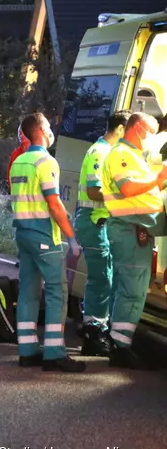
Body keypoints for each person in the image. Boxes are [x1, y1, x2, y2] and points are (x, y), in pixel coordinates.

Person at [10, 112, 85, 373]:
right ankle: (54, 353)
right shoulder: (45, 161)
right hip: (44, 235)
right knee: (57, 292)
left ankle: (27, 351)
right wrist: (71, 238)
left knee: (28, 292)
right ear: (40, 130)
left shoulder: (19, 162)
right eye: (49, 126)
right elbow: (54, 203)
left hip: (23, 233)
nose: (51, 129)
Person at [101, 112, 167, 369]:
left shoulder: (135, 157)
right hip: (129, 232)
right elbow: (128, 189)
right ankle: (120, 348)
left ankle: (120, 343)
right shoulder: (121, 155)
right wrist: (158, 179)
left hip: (136, 231)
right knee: (132, 292)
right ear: (139, 129)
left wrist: (157, 184)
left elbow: (145, 191)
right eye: (151, 132)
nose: (153, 139)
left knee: (130, 290)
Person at [73, 110, 131, 357]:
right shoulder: (100, 152)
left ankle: (94, 327)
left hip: (100, 222)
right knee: (101, 279)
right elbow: (94, 191)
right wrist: (127, 196)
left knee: (103, 278)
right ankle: (93, 333)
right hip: (93, 222)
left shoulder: (109, 152)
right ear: (119, 129)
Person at [6, 124, 31, 189]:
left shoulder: (40, 153)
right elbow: (10, 178)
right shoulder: (16, 154)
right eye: (21, 133)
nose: (22, 135)